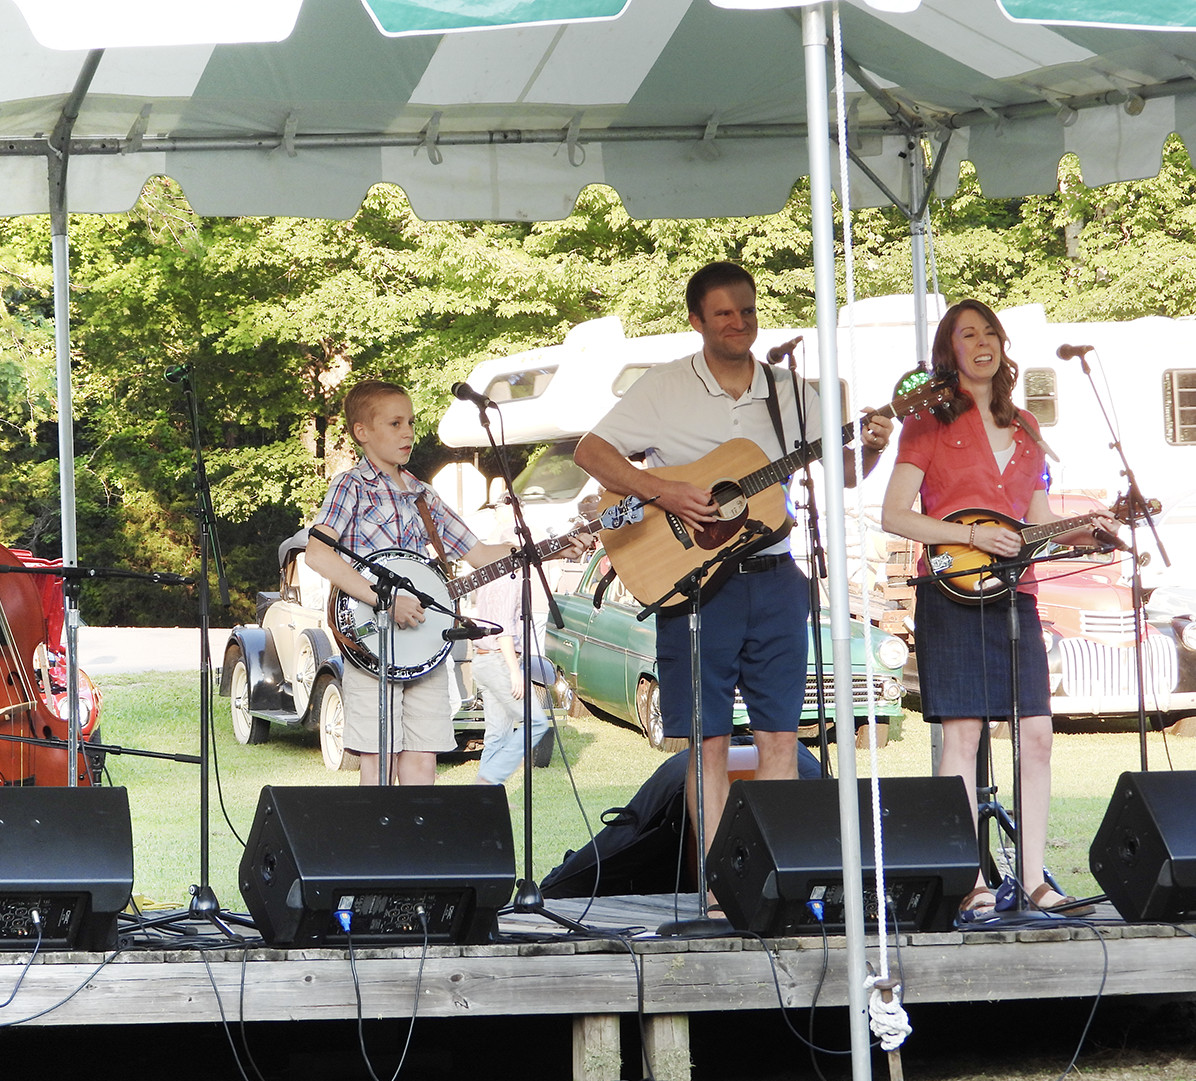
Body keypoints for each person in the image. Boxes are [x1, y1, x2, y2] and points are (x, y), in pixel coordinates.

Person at [572, 261, 894, 853]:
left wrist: (872, 448)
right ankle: (718, 878)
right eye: (723, 312)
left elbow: (845, 473)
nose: (738, 323)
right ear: (697, 320)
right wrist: (663, 490)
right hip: (695, 583)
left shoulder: (791, 391)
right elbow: (591, 451)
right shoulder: (665, 385)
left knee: (780, 735)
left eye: (746, 311)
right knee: (706, 740)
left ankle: (770, 871)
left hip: (774, 577)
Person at [881, 298, 1110, 923]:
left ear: (1003, 346)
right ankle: (971, 877)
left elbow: (1036, 524)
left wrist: (1085, 533)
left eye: (989, 333)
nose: (981, 343)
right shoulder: (927, 421)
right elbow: (894, 513)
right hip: (952, 590)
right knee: (965, 735)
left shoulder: (1028, 426)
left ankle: (1033, 878)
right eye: (966, 334)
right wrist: (971, 537)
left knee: (1035, 736)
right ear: (948, 350)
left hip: (1017, 593)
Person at [306, 379, 587, 786]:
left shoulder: (423, 495)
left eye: (411, 423)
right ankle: (379, 849)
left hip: (424, 645)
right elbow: (318, 554)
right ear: (361, 432)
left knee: (423, 762)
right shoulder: (352, 487)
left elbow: (481, 554)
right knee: (380, 763)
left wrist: (553, 549)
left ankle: (420, 847)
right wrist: (385, 600)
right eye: (395, 423)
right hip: (373, 644)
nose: (408, 432)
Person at [471, 569, 552, 786]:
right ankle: (490, 779)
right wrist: (514, 671)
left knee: (497, 734)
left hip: (483, 659)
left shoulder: (487, 582)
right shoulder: (507, 581)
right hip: (500, 660)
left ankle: (484, 797)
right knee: (536, 722)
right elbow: (503, 630)